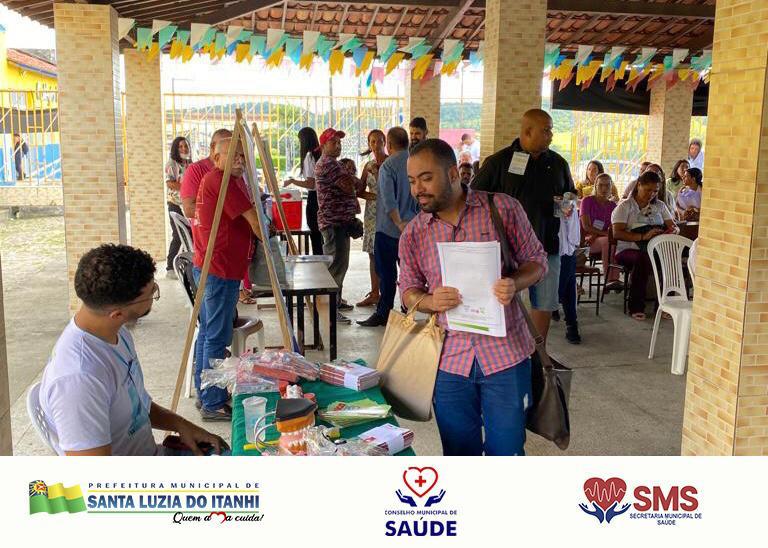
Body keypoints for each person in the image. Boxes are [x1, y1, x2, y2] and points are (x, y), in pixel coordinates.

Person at [400, 139, 547, 456]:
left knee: (506, 451)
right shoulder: (414, 233)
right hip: (449, 361)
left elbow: (537, 261)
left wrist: (514, 282)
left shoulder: (502, 209)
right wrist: (430, 302)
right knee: (458, 453)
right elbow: (408, 291)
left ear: (453, 174)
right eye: (412, 181)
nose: (417, 190)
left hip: (505, 357)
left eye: (426, 178)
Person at [39, 244, 228, 455]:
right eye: (151, 294)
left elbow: (137, 406)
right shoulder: (79, 379)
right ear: (117, 314)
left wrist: (181, 425)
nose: (154, 296)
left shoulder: (116, 332)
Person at [472, 108, 575, 354]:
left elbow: (570, 195)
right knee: (500, 300)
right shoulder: (499, 162)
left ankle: (538, 356)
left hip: (546, 245)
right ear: (528, 131)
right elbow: (474, 198)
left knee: (545, 302)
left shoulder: (558, 163)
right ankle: (502, 354)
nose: (551, 135)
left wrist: (566, 204)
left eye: (551, 130)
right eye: (546, 130)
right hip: (505, 249)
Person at [193, 138, 266, 420]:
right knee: (216, 337)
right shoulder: (222, 181)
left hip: (215, 267)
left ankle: (206, 394)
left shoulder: (224, 179)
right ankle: (213, 402)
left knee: (208, 333)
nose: (239, 159)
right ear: (216, 157)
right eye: (232, 154)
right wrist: (273, 244)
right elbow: (254, 220)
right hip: (219, 269)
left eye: (242, 155)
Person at [358, 127, 417, 327]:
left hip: (389, 229)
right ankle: (408, 310)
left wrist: (398, 222)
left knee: (386, 273)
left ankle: (384, 312)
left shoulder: (388, 166)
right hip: (412, 229)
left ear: (389, 144)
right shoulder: (415, 162)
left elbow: (388, 200)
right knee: (410, 273)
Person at [611, 170, 677, 320]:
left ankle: (666, 305)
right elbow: (617, 233)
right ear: (639, 185)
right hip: (628, 249)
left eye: (655, 191)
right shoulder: (625, 206)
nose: (651, 194)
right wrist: (642, 236)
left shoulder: (659, 206)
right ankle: (636, 306)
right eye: (648, 190)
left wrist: (674, 230)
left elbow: (672, 225)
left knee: (671, 259)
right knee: (643, 259)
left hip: (654, 248)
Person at [314, 128, 364, 323]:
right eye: (333, 142)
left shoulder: (334, 164)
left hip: (339, 222)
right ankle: (330, 310)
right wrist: (356, 178)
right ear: (323, 145)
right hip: (334, 223)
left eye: (339, 142)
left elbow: (352, 183)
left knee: (340, 265)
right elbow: (351, 186)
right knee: (336, 267)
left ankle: (336, 301)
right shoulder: (329, 164)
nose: (338, 145)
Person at [357, 129, 388, 307]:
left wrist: (377, 174)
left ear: (385, 142)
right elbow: (360, 190)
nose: (376, 145)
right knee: (372, 254)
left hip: (387, 212)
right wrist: (373, 197)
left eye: (379, 141)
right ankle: (374, 292)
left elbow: (390, 190)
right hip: (371, 213)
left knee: (386, 253)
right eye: (372, 142)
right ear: (369, 144)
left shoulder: (390, 163)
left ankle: (386, 293)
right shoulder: (368, 165)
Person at [284, 127, 324, 255]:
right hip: (323, 197)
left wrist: (292, 181)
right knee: (321, 235)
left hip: (314, 198)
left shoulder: (309, 156)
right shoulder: (320, 154)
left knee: (315, 234)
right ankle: (323, 260)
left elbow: (310, 183)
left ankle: (318, 260)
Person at [180, 128, 232, 218]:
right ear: (213, 147)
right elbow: (189, 209)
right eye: (227, 147)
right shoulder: (196, 169)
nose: (232, 152)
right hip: (212, 226)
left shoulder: (234, 170)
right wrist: (229, 212)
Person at [580, 173, 620, 288]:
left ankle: (614, 279)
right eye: (601, 185)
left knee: (615, 242)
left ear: (611, 187)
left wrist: (601, 234)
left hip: (601, 238)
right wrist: (604, 234)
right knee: (608, 241)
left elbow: (613, 228)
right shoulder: (587, 201)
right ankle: (609, 280)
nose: (604, 188)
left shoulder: (613, 205)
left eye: (607, 185)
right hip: (587, 241)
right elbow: (586, 226)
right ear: (595, 186)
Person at [165, 136, 192, 279]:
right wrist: (187, 188)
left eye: (186, 146)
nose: (184, 149)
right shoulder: (172, 163)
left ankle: (184, 264)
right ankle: (170, 267)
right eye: (180, 146)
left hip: (188, 203)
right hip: (175, 203)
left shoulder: (189, 163)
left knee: (188, 235)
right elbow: (170, 183)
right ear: (176, 148)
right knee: (178, 234)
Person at [557, 196, 582, 344]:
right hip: (546, 247)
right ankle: (571, 325)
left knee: (567, 287)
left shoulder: (566, 197)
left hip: (564, 249)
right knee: (566, 288)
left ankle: (572, 324)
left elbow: (571, 224)